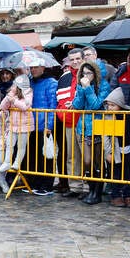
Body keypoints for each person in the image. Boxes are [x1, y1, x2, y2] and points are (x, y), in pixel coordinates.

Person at [71, 60, 110, 205]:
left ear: (95, 73)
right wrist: (82, 89)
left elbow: (95, 105)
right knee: (87, 161)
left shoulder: (103, 85)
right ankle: (91, 190)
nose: (85, 76)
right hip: (84, 127)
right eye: (83, 73)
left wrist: (88, 88)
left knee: (98, 162)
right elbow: (77, 105)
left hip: (97, 126)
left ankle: (97, 193)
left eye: (88, 73)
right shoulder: (81, 85)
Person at [101, 88, 130, 208]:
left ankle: (128, 195)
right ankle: (115, 195)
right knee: (115, 173)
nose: (110, 108)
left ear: (120, 105)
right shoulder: (108, 116)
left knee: (129, 173)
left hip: (129, 148)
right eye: (108, 105)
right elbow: (105, 136)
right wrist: (108, 152)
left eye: (113, 105)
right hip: (115, 149)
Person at [55, 48, 84, 197]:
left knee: (87, 157)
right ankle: (75, 187)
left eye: (78, 58)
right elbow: (59, 99)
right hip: (68, 122)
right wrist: (62, 114)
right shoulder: (64, 77)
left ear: (83, 59)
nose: (75, 62)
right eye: (72, 59)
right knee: (72, 156)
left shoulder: (89, 74)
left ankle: (88, 187)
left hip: (85, 122)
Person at [26, 65, 58, 195]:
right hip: (31, 124)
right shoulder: (30, 82)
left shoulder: (51, 82)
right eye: (31, 67)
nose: (33, 70)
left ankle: (47, 185)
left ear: (43, 68)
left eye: (36, 67)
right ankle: (35, 182)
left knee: (45, 156)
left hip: (43, 124)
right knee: (33, 156)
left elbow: (53, 105)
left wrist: (49, 125)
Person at [0, 74, 34, 173]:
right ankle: (7, 162)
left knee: (21, 146)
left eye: (15, 85)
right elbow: (2, 107)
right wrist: (8, 97)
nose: (13, 86)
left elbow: (25, 106)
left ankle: (17, 163)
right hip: (13, 124)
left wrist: (14, 100)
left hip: (25, 125)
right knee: (9, 144)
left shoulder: (29, 92)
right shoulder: (12, 94)